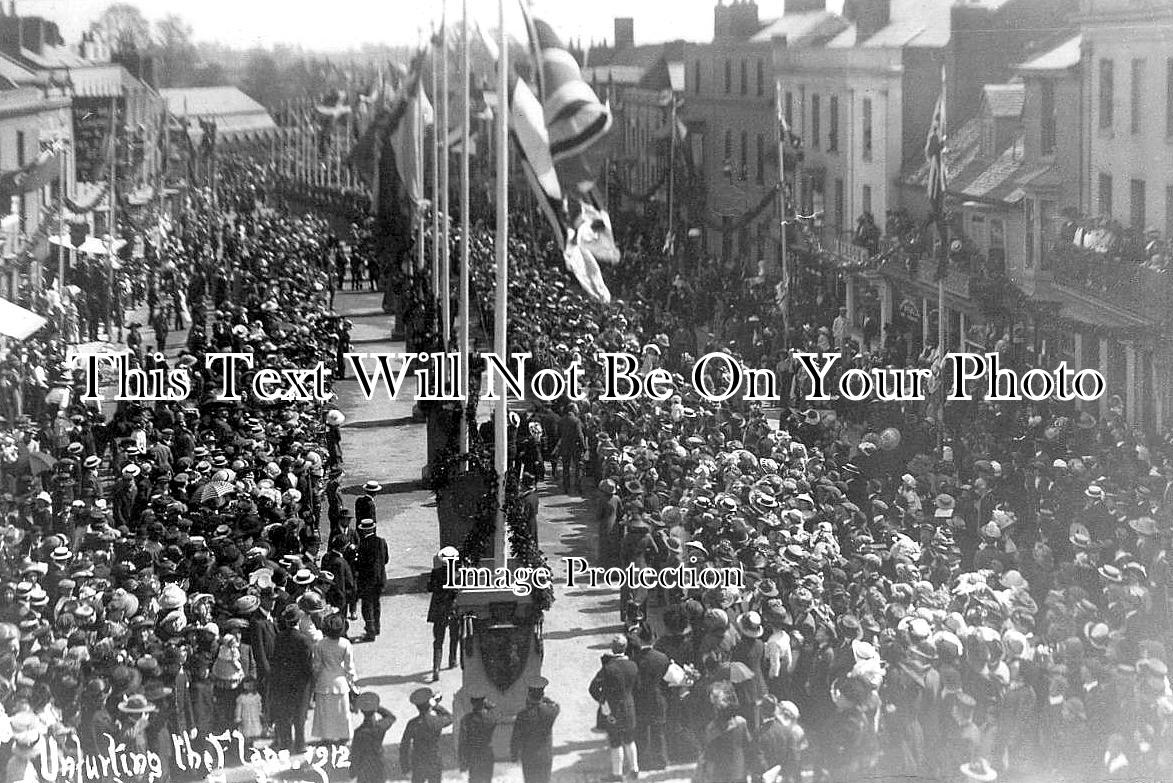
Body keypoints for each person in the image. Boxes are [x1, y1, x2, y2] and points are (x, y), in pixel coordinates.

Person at [590, 636, 640, 781]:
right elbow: (637, 687)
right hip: (629, 707)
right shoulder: (633, 665)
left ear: (613, 648)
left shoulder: (608, 668)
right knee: (630, 739)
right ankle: (634, 769)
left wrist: (604, 703)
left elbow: (593, 688)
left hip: (613, 710)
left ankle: (617, 774)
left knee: (615, 741)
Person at [311, 612, 357, 745]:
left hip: (324, 681)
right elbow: (350, 667)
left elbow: (317, 666)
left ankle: (327, 736)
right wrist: (354, 683)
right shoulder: (345, 644)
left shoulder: (319, 645)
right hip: (340, 680)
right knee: (342, 710)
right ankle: (344, 735)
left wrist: (315, 681)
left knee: (325, 711)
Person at [511, 676, 560, 783]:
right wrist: (546, 700)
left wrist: (514, 755)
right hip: (545, 755)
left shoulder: (522, 715)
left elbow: (516, 737)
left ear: (529, 695)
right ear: (542, 694)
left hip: (529, 756)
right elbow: (557, 706)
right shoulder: (550, 712)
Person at [400, 687, 453, 783]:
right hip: (434, 761)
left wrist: (405, 768)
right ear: (429, 705)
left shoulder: (412, 723)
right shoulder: (436, 721)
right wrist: (435, 705)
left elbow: (404, 745)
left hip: (418, 763)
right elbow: (449, 717)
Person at [426, 546, 461, 682]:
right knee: (454, 636)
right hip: (452, 609)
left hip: (438, 610)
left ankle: (436, 667)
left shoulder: (436, 572)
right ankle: (452, 659)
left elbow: (429, 588)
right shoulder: (458, 574)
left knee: (438, 640)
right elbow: (459, 591)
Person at [350, 692, 397, 783]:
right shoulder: (380, 727)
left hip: (364, 767)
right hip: (378, 764)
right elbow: (391, 717)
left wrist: (353, 772)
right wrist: (376, 707)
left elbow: (355, 753)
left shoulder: (359, 732)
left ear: (362, 711)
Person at [354, 517, 388, 640]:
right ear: (373, 528)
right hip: (380, 579)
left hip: (367, 580)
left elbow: (360, 564)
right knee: (376, 603)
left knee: (367, 606)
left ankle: (370, 630)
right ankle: (377, 627)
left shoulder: (363, 544)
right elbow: (386, 559)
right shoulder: (382, 541)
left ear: (363, 531)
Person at [458, 692, 497, 783]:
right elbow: (496, 718)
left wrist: (462, 762)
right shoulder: (490, 718)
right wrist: (489, 708)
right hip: (487, 754)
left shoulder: (466, 719)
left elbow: (462, 741)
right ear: (484, 703)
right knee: (487, 780)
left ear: (472, 703)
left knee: (474, 779)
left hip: (473, 754)